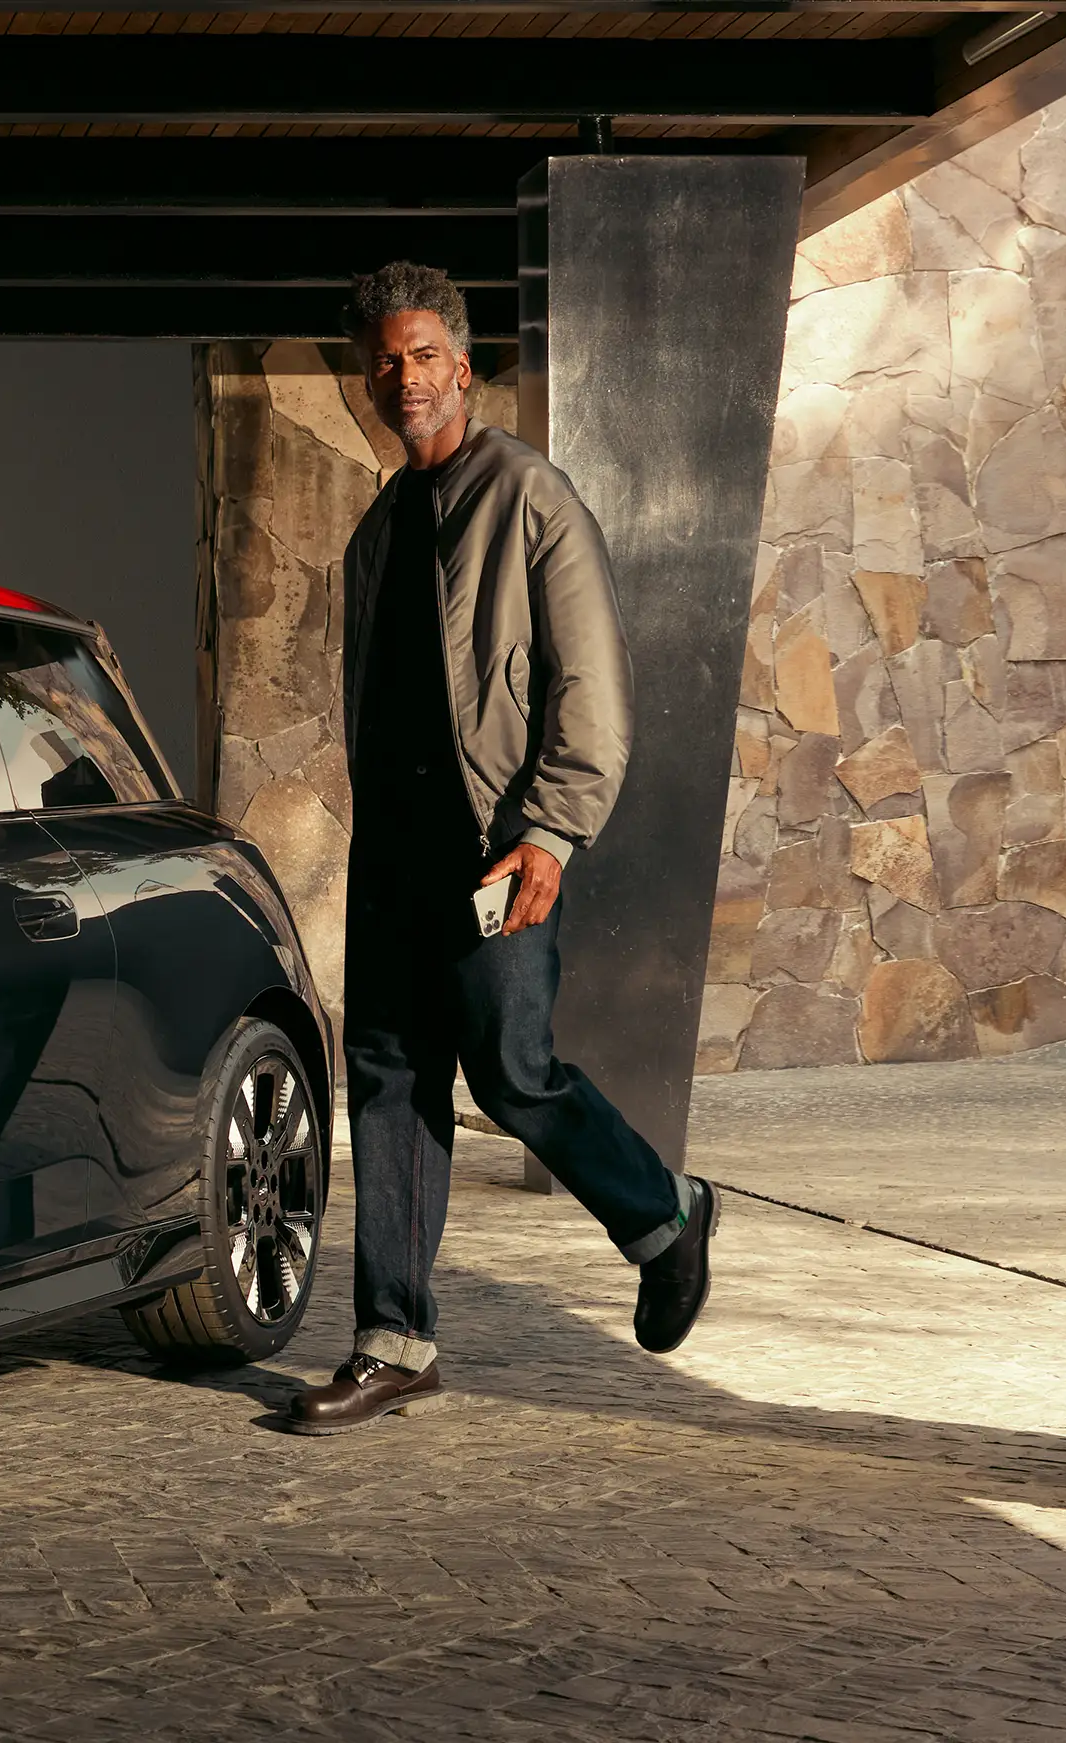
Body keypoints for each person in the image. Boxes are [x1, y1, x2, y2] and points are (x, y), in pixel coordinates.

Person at [283, 262, 720, 1436]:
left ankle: (663, 1219)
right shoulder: (375, 534)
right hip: (393, 862)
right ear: (364, 377)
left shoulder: (527, 495)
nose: (403, 375)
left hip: (494, 850)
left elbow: (590, 681)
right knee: (382, 1084)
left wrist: (549, 832)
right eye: (382, 357)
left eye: (423, 353)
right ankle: (391, 1339)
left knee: (512, 1074)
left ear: (461, 367)